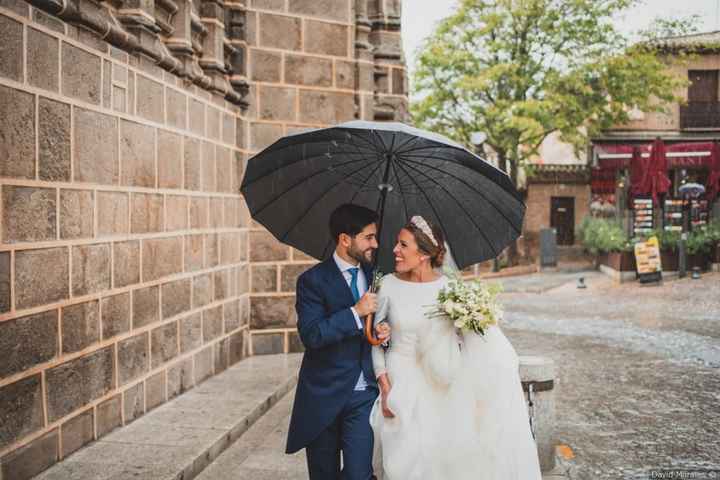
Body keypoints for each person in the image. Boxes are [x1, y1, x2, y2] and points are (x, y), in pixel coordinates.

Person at [369, 215, 542, 479]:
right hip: (398, 381)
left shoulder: (450, 289)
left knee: (437, 461)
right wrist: (384, 386)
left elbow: (474, 339)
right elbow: (375, 342)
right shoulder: (388, 286)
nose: (395, 250)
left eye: (403, 245)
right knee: (399, 462)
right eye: (396, 244)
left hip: (440, 385)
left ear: (424, 253)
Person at [286, 203, 390, 480]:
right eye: (368, 237)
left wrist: (382, 332)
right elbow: (312, 335)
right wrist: (356, 312)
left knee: (359, 474)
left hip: (363, 395)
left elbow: (379, 331)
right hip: (323, 396)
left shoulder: (375, 278)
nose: (375, 243)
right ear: (345, 239)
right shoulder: (312, 281)